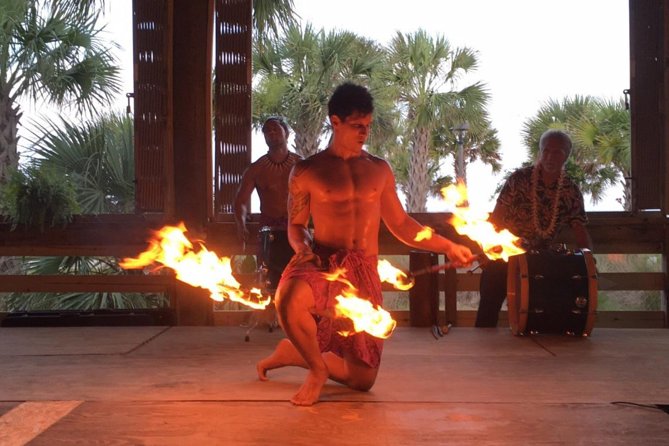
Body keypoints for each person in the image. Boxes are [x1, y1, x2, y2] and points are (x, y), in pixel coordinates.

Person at [256, 82, 475, 406]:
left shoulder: (379, 170)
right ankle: (316, 368)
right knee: (288, 297)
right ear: (335, 121)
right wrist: (304, 251)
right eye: (357, 126)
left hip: (363, 270)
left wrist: (447, 246)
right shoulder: (307, 170)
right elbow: (297, 225)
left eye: (368, 126)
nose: (364, 133)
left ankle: (296, 352)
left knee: (362, 381)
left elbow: (401, 224)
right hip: (324, 262)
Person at [475, 129, 594, 328]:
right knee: (488, 304)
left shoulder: (570, 190)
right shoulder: (519, 179)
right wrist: (485, 249)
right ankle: (483, 354)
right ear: (540, 152)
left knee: (540, 313)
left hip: (540, 261)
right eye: (546, 151)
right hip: (504, 254)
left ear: (567, 156)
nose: (550, 157)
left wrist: (590, 263)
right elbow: (496, 217)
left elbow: (579, 229)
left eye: (557, 152)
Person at [234, 116, 302, 291]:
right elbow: (240, 201)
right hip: (268, 232)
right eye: (267, 131)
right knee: (269, 282)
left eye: (276, 129)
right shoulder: (256, 169)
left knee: (299, 282)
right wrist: (241, 225)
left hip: (296, 228)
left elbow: (318, 196)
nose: (271, 133)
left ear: (286, 133)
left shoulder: (301, 165)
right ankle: (271, 316)